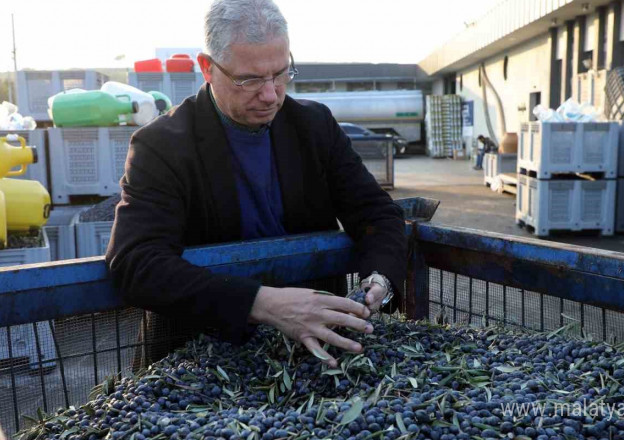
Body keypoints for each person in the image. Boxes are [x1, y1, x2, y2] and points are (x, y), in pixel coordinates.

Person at [105, 0, 407, 369]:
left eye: (280, 74)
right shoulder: (162, 145)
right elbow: (136, 262)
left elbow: (377, 214)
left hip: (315, 353)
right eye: (248, 80)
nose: (270, 95)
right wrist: (261, 304)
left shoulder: (314, 126)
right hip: (198, 359)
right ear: (207, 68)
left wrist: (379, 279)